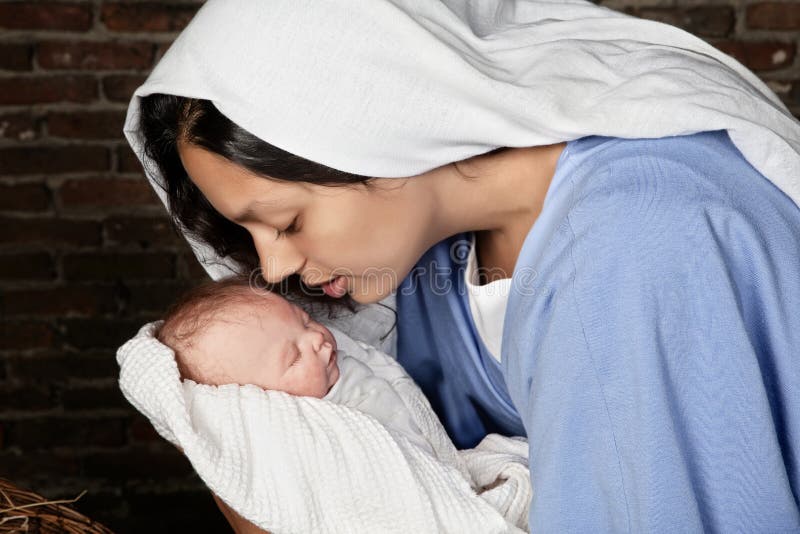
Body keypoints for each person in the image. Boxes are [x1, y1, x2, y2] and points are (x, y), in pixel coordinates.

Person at [124, 1, 800, 531]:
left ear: (368, 131)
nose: (273, 269)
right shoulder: (430, 263)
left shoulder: (643, 248)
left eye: (287, 222)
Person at [154, 277, 434, 455]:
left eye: (305, 321)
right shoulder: (308, 434)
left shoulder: (341, 357)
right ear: (262, 400)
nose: (316, 337)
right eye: (294, 358)